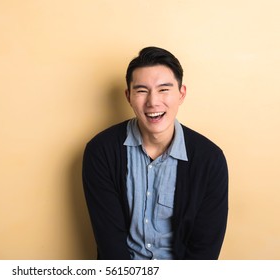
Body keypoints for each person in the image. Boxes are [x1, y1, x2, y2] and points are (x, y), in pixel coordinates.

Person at [82, 46, 228, 260]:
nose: (153, 102)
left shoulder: (210, 159)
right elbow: (110, 243)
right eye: (141, 90)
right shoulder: (101, 152)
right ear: (128, 96)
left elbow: (204, 251)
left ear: (181, 94)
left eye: (164, 89)